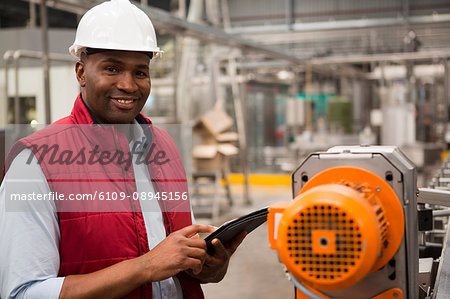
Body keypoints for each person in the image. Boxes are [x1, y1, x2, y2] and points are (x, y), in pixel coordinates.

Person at [0, 0, 246, 298]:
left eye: (140, 72)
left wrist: (209, 266)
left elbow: (178, 262)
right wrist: (146, 267)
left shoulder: (165, 147)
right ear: (81, 73)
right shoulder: (35, 162)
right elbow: (23, 292)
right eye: (112, 68)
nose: (129, 85)